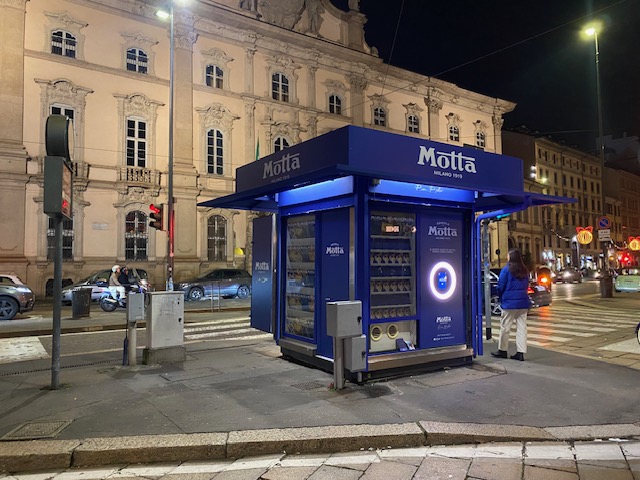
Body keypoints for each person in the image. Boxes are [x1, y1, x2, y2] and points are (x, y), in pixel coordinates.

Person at [491, 249, 530, 361]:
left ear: (511, 257)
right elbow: (526, 285)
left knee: (505, 327)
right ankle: (521, 352)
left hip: (509, 304)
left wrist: (501, 296)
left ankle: (502, 350)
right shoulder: (525, 270)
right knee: (522, 328)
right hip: (523, 303)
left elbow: (501, 286)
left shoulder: (506, 270)